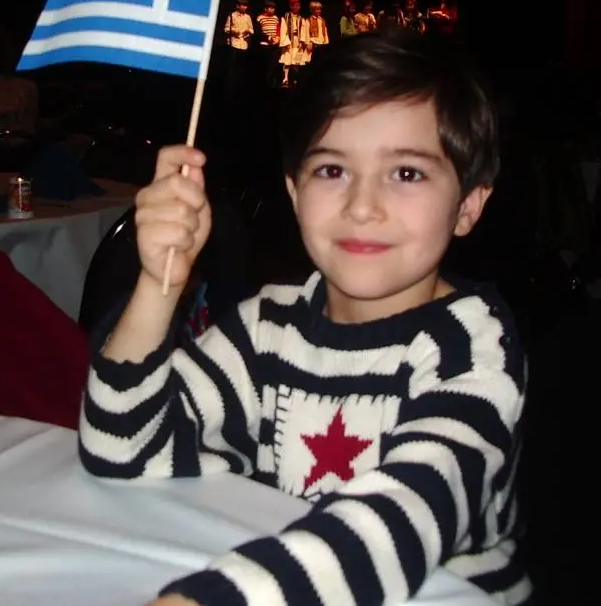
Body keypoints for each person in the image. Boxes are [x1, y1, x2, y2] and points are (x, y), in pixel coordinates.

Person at [79, 31, 530, 606]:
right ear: (294, 194)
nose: (362, 206)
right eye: (332, 171)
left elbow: (404, 518)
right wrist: (158, 285)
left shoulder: (471, 350)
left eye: (407, 173)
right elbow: (120, 448)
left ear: (467, 206)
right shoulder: (270, 325)